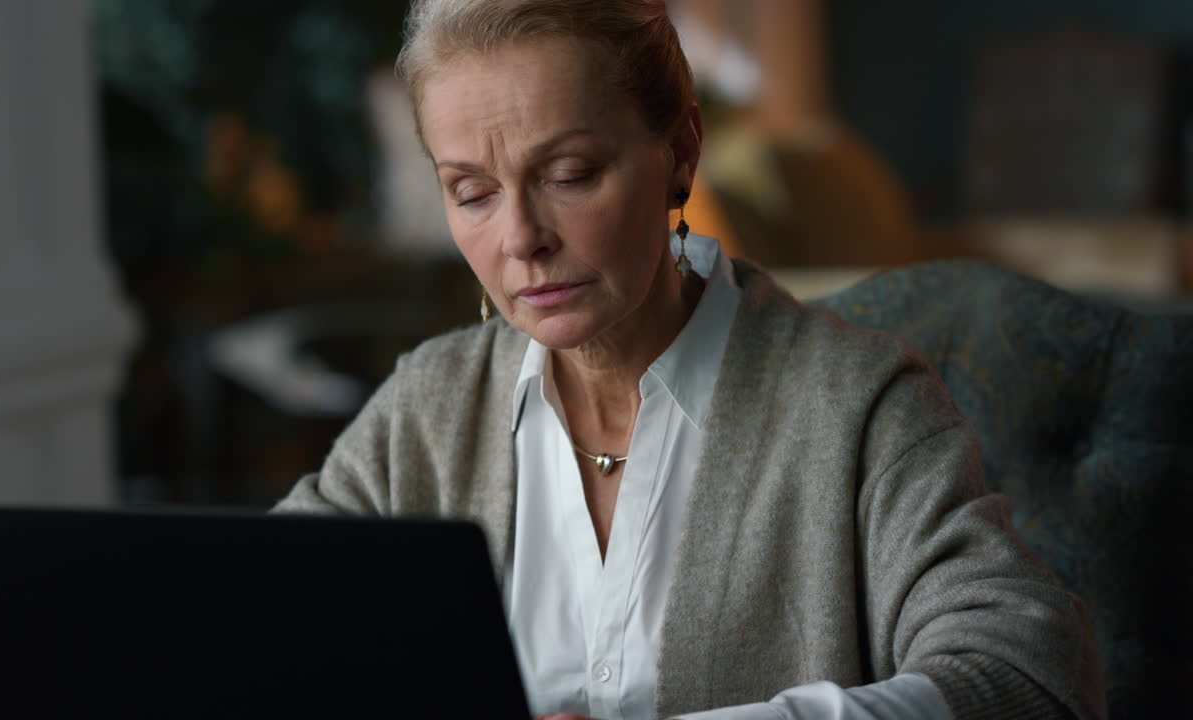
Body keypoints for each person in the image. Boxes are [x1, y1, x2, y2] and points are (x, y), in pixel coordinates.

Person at [275, 1, 1105, 718]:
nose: (521, 238)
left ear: (680, 150)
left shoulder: (857, 404)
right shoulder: (426, 409)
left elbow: (1029, 678)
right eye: (472, 193)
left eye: (570, 174)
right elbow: (254, 627)